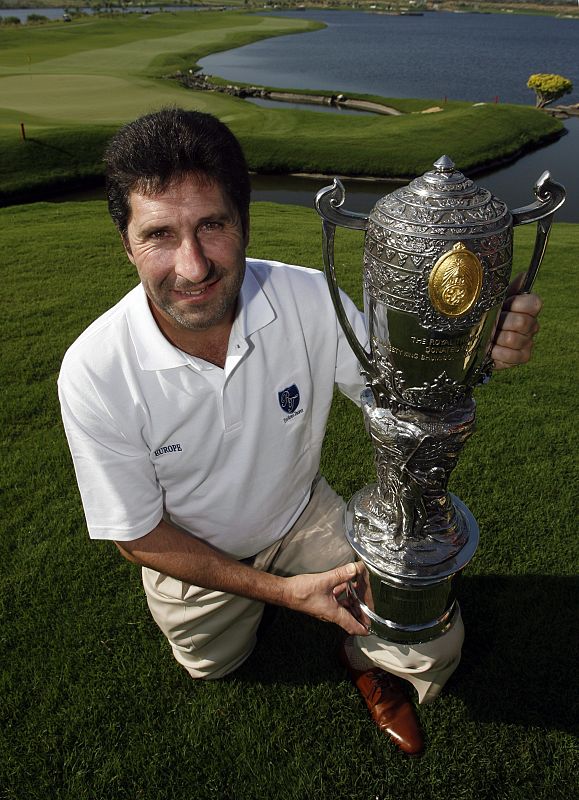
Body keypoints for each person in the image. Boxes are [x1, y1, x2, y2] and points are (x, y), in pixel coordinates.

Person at [58, 108, 542, 756]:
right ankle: (269, 610)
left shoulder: (307, 297)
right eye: (159, 235)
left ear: (244, 223)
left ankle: (365, 662)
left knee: (431, 640)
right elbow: (138, 535)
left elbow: (402, 386)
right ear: (125, 243)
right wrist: (284, 593)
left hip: (302, 514)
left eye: (212, 225)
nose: (193, 265)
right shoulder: (94, 370)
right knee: (211, 665)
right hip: (194, 546)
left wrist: (475, 347)